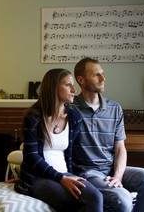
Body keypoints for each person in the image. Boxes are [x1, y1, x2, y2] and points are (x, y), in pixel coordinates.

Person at [71, 57, 144, 212]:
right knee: (123, 199)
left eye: (103, 74)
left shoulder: (115, 108)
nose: (103, 78)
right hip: (87, 172)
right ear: (81, 80)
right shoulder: (70, 109)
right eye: (96, 75)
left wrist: (118, 176)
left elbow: (120, 149)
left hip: (111, 170)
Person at [15, 68, 103, 212]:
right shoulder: (34, 117)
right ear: (53, 87)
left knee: (96, 196)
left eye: (73, 85)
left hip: (64, 174)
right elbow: (31, 156)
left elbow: (70, 154)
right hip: (39, 178)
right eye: (68, 85)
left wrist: (70, 176)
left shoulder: (75, 117)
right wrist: (60, 178)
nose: (74, 89)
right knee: (75, 202)